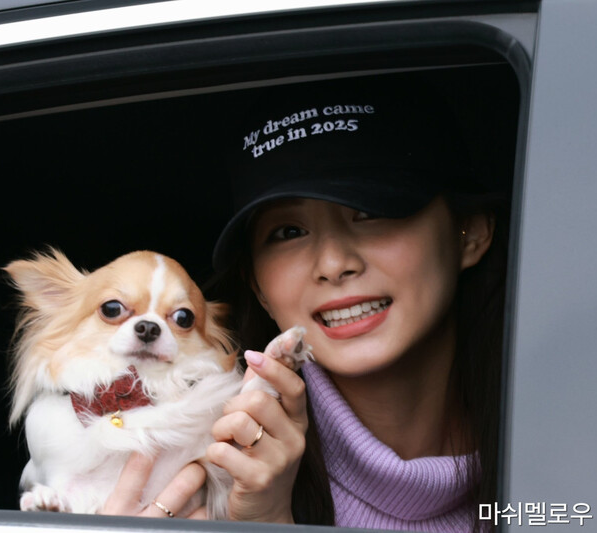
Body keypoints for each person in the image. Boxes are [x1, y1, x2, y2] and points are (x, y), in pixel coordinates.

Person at [102, 73, 509, 532]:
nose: (334, 263)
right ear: (257, 285)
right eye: (289, 232)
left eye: (371, 211)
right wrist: (268, 521)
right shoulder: (185, 466)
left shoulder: (579, 434)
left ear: (470, 233)